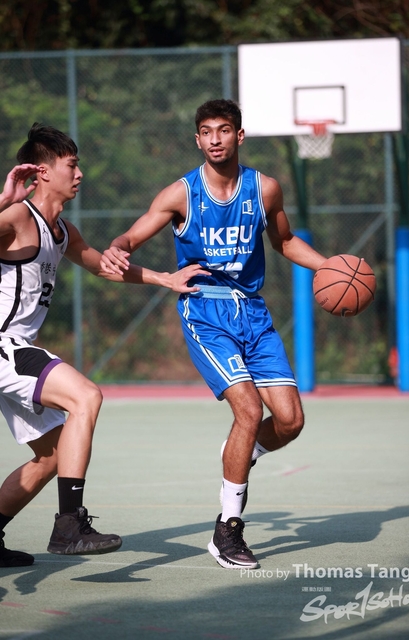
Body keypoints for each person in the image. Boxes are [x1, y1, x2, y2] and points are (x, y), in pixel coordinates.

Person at [101, 99, 327, 570]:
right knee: (249, 410)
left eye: (223, 130)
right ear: (197, 139)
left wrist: (328, 266)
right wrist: (118, 247)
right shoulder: (181, 194)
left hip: (253, 313)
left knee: (290, 421)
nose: (215, 139)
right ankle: (228, 531)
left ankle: (241, 452)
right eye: (206, 132)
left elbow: (284, 241)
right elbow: (131, 237)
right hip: (205, 312)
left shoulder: (264, 188)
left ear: (239, 136)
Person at [0, 124, 208, 568]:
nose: (79, 174)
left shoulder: (63, 231)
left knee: (52, 456)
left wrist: (165, 278)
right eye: (71, 165)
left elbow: (102, 266)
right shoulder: (17, 217)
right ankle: (69, 526)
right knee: (86, 396)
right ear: (43, 172)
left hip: (16, 348)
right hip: (4, 346)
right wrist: (2, 201)